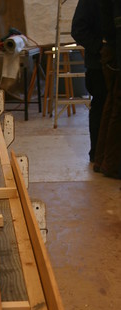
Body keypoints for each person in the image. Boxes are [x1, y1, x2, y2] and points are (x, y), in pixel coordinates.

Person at [71, 0, 107, 164]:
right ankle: (97, 153)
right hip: (98, 65)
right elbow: (78, 30)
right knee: (100, 106)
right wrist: (100, 47)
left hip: (109, 61)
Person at [92, 0, 121, 178]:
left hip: (113, 51)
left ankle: (103, 161)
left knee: (113, 105)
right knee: (115, 108)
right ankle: (110, 164)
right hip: (114, 52)